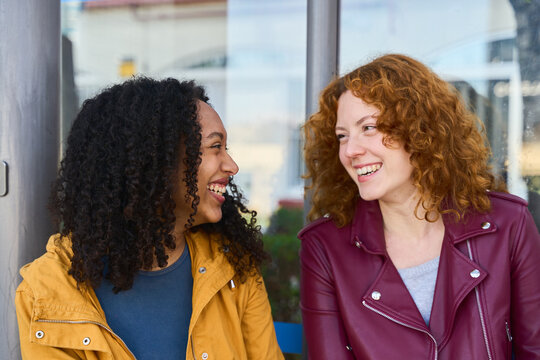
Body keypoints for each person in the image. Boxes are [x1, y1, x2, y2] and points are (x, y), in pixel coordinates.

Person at [15, 77, 284, 360]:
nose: (232, 165)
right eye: (216, 147)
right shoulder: (47, 291)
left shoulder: (233, 268)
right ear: (157, 162)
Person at [299, 54, 540, 359]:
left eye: (369, 127)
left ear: (418, 129)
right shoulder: (324, 248)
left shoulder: (508, 224)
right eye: (342, 136)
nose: (351, 150)